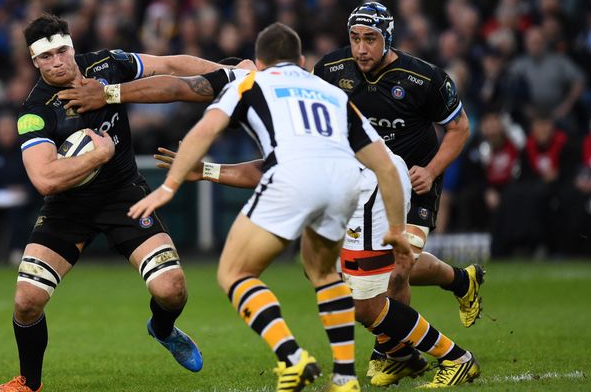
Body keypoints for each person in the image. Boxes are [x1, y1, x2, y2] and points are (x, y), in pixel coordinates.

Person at [129, 22, 413, 392]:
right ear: (301, 59)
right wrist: (396, 228)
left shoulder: (250, 82)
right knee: (323, 274)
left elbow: (204, 130)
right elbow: (387, 166)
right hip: (345, 183)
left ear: (259, 61)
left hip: (293, 178)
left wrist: (169, 186)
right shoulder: (330, 92)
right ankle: (344, 377)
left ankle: (292, 357)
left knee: (235, 272)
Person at [0, 13, 226, 392]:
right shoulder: (34, 112)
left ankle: (162, 329)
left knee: (172, 289)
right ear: (35, 62)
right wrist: (97, 156)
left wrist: (227, 71)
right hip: (67, 207)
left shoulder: (106, 65)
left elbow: (169, 64)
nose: (58, 61)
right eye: (46, 58)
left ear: (72, 46)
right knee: (27, 300)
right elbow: (44, 178)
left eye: (62, 51)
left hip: (123, 195)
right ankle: (29, 383)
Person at [311, 2, 483, 382]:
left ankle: (397, 352)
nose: (361, 49)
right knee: (378, 270)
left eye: (370, 39)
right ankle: (459, 281)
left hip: (415, 183)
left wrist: (433, 169)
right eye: (355, 39)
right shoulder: (329, 70)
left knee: (397, 268)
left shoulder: (424, 78)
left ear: (387, 38)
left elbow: (459, 129)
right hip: (365, 189)